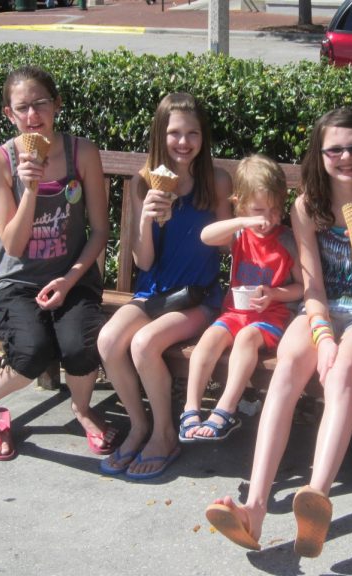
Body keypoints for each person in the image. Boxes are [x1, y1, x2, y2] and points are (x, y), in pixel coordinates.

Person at [205, 108, 352, 557]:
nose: (346, 157)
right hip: (321, 308)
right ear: (320, 154)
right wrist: (323, 335)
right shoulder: (305, 206)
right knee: (288, 369)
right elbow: (313, 287)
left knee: (342, 371)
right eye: (335, 149)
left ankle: (315, 498)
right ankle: (254, 508)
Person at [0, 66, 114, 461]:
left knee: (80, 343)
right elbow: (14, 245)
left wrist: (69, 281)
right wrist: (30, 186)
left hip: (73, 275)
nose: (33, 116)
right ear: (9, 114)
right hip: (16, 282)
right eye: (22, 108)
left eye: (41, 104)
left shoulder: (81, 152)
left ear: (57, 105)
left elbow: (100, 232)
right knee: (32, 351)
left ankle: (82, 409)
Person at [97, 92, 233, 480]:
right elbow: (143, 262)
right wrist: (148, 220)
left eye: (193, 133)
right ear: (161, 134)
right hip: (154, 292)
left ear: (203, 138)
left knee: (143, 343)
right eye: (175, 133)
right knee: (109, 340)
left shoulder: (216, 181)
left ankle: (164, 433)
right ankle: (139, 426)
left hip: (197, 296)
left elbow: (228, 246)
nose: (184, 142)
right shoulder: (144, 183)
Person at [179, 154, 303, 443]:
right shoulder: (240, 233)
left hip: (272, 317)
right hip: (235, 312)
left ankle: (226, 408)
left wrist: (273, 294)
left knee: (247, 336)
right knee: (210, 337)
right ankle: (191, 408)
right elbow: (206, 236)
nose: (268, 219)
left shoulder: (285, 240)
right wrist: (244, 221)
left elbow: (303, 288)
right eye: (260, 210)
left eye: (275, 210)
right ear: (241, 204)